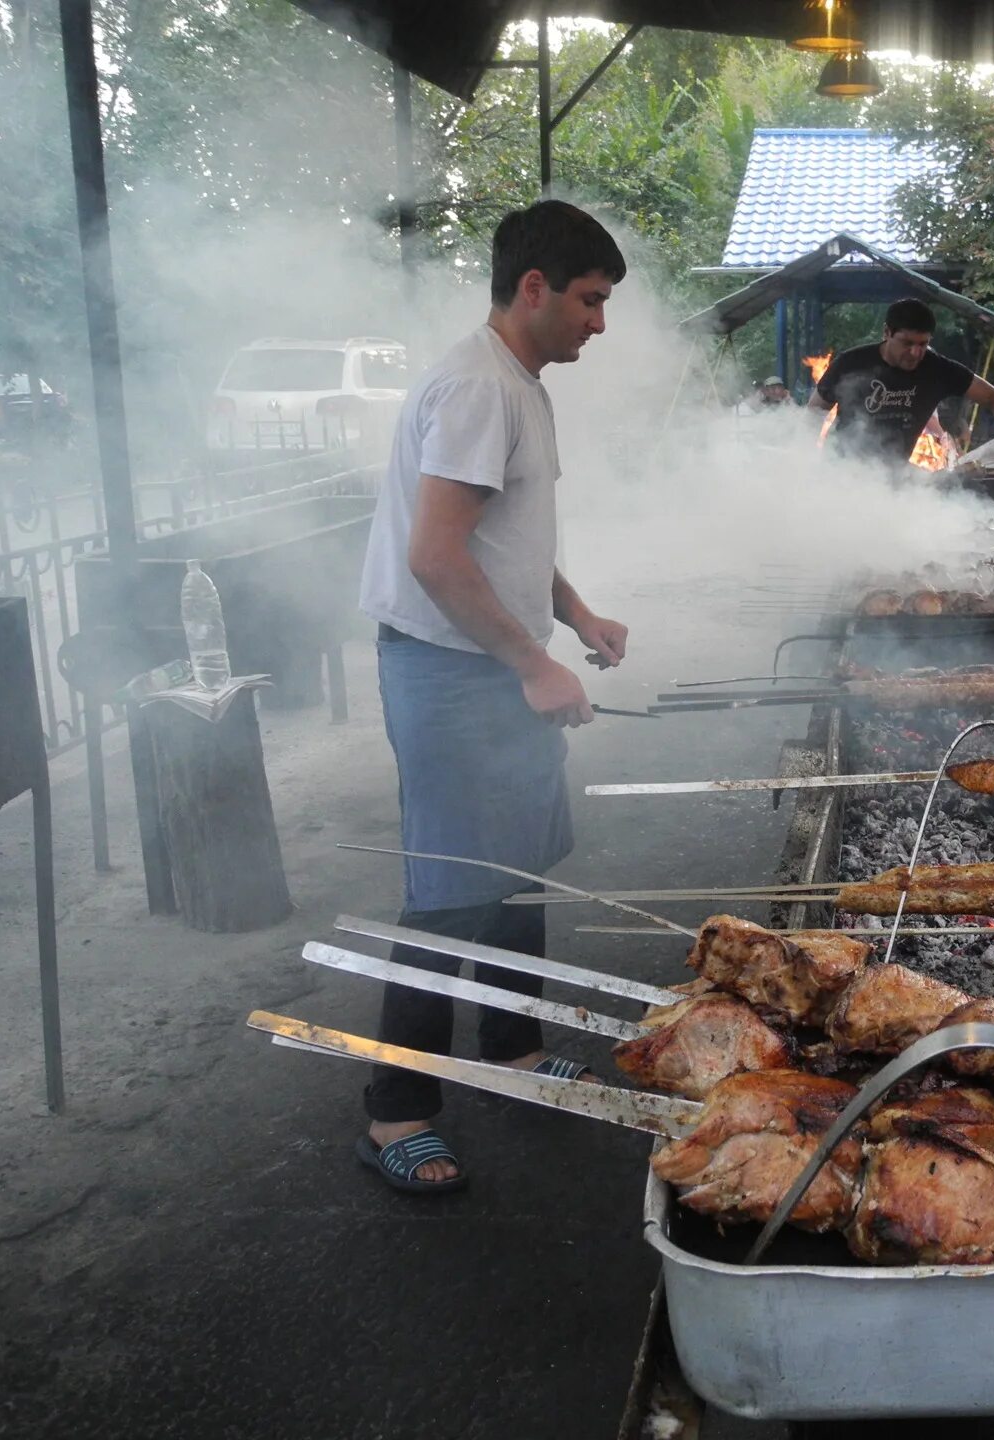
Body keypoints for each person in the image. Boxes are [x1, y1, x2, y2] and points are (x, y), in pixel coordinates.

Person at [354, 199, 631, 1193]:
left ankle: (511, 1051)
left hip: (494, 663)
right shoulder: (478, 388)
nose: (600, 322)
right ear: (533, 288)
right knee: (449, 893)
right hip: (450, 675)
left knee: (517, 870)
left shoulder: (521, 381)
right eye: (591, 301)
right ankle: (397, 1111)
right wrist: (530, 662)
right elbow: (435, 558)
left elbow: (510, 537)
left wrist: (576, 619)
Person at [810, 298, 994, 469]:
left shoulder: (937, 369)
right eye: (907, 343)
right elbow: (814, 411)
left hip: (893, 477)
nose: (916, 353)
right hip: (839, 472)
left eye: (923, 344)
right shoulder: (851, 363)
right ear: (887, 332)